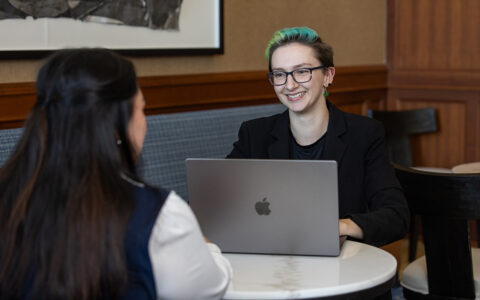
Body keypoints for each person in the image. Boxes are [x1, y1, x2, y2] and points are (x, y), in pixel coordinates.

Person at [0, 48, 232, 299]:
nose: (145, 121)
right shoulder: (159, 216)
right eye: (142, 109)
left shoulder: (9, 199)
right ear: (115, 127)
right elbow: (211, 289)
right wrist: (210, 249)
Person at [227, 27, 409, 247]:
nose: (290, 85)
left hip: (340, 264)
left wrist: (339, 226)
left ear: (328, 75)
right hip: (272, 259)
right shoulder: (254, 134)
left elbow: (396, 216)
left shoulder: (365, 134)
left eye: (302, 71)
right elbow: (216, 200)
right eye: (279, 74)